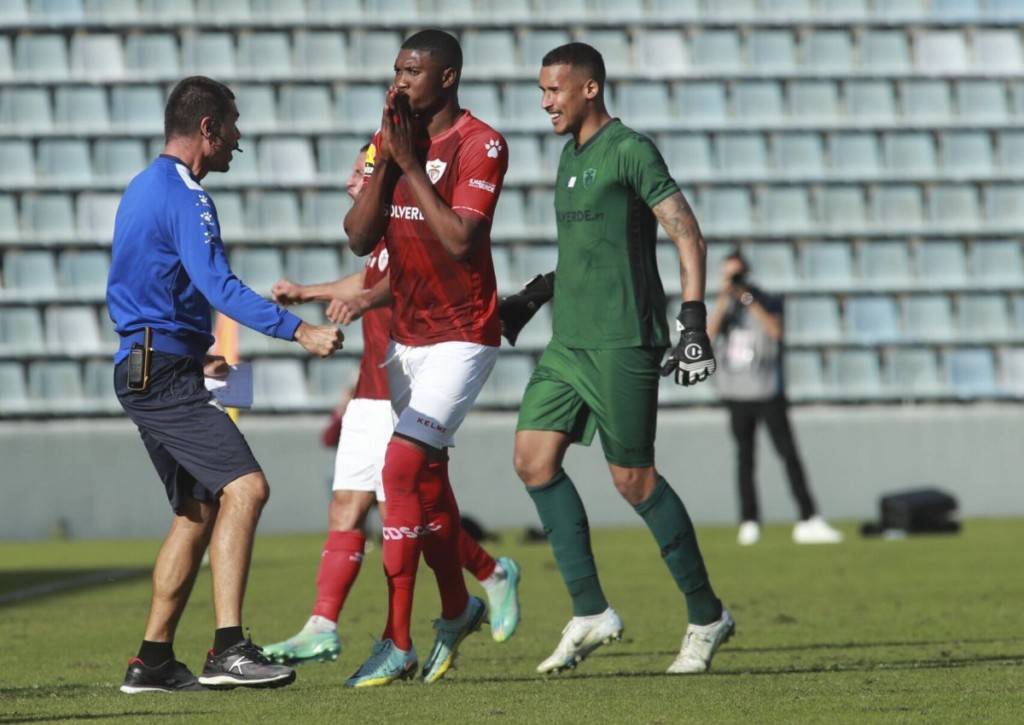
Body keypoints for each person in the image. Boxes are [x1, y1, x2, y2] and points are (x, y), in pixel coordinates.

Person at [107, 76, 343, 694]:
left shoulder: (140, 187)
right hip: (160, 374)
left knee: (197, 511)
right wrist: (301, 332)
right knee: (248, 488)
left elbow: (145, 286)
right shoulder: (187, 196)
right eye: (232, 126)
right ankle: (229, 650)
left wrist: (190, 353)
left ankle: (151, 661)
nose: (237, 140)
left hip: (149, 365)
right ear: (208, 128)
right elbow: (220, 287)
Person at [513, 43, 734, 677]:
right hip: (568, 343)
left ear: (589, 88)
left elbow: (686, 231)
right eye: (542, 89)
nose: (545, 101)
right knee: (532, 460)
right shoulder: (568, 156)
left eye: (554, 89)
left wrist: (693, 323)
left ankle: (706, 614)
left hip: (625, 340)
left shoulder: (631, 149)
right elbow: (588, 248)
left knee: (633, 480)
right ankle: (590, 612)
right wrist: (532, 296)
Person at [260, 145, 521, 667]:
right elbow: (367, 279)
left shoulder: (413, 223)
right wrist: (310, 292)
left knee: (413, 518)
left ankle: (478, 582)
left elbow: (396, 283)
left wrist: (356, 299)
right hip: (370, 389)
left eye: (362, 169)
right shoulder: (379, 231)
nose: (353, 178)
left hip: (407, 387)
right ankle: (323, 625)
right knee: (350, 508)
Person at [340, 29, 509, 687]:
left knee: (399, 466)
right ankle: (469, 594)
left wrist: (410, 163)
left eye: (413, 71)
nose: (400, 80)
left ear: (446, 77)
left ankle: (397, 639)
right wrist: (386, 159)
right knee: (425, 487)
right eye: (397, 70)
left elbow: (463, 241)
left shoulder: (481, 143)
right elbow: (358, 240)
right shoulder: (387, 138)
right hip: (405, 339)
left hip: (463, 334)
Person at [707, 250, 844, 546]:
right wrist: (723, 297)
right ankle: (749, 520)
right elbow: (708, 335)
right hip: (736, 393)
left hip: (767, 390)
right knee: (745, 458)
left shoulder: (765, 300)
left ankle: (809, 517)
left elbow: (774, 330)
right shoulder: (723, 306)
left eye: (736, 274)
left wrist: (745, 297)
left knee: (788, 454)